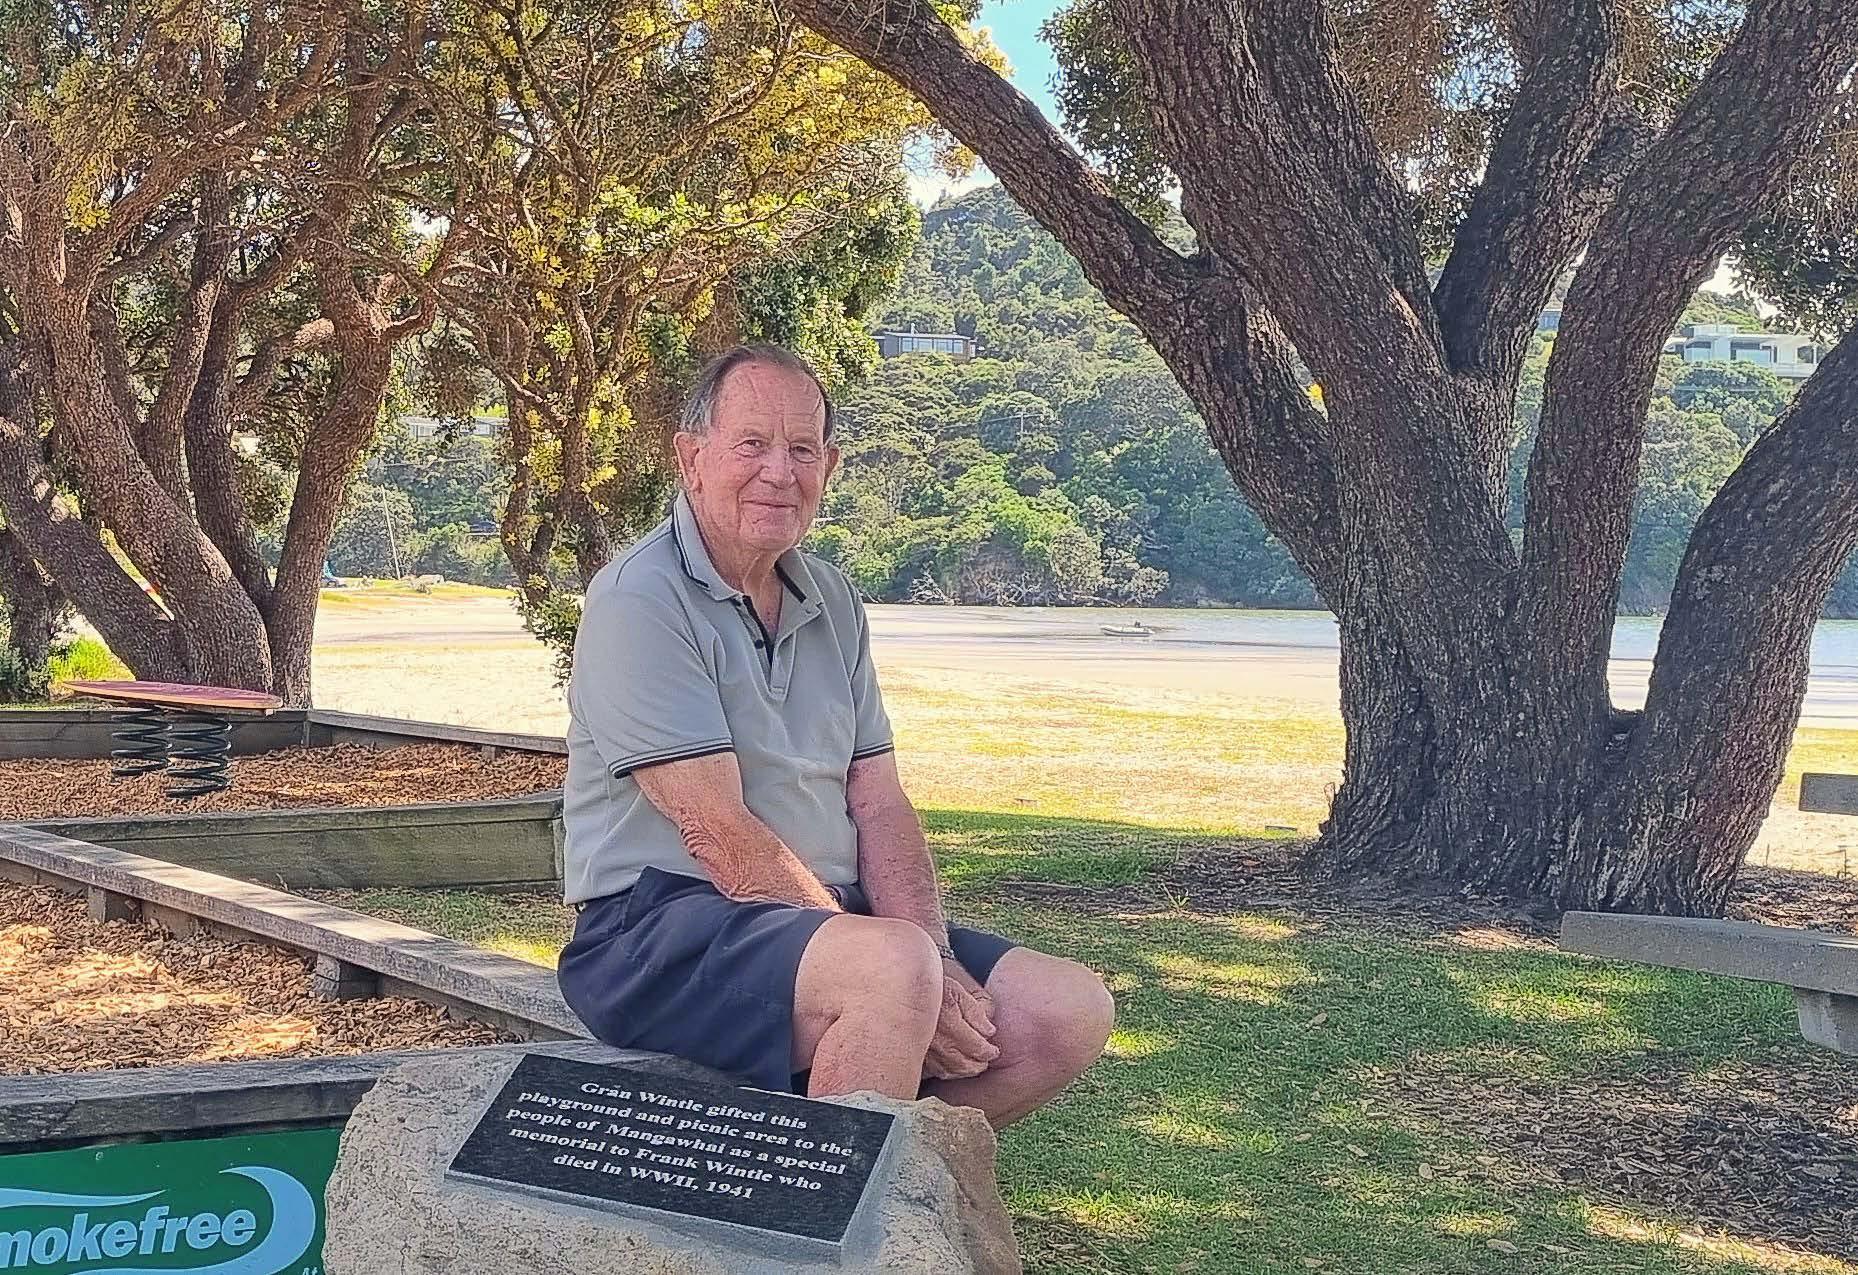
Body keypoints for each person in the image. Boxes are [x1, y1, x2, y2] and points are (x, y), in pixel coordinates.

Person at [556, 344, 1114, 1127]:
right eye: (751, 444)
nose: (778, 471)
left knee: (1064, 1009)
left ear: (831, 465)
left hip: (826, 917)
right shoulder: (638, 599)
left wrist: (936, 957)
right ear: (691, 459)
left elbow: (878, 802)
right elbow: (716, 830)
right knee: (889, 971)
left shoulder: (832, 599)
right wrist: (901, 967)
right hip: (654, 928)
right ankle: (829, 1193)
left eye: (802, 449)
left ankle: (891, 1178)